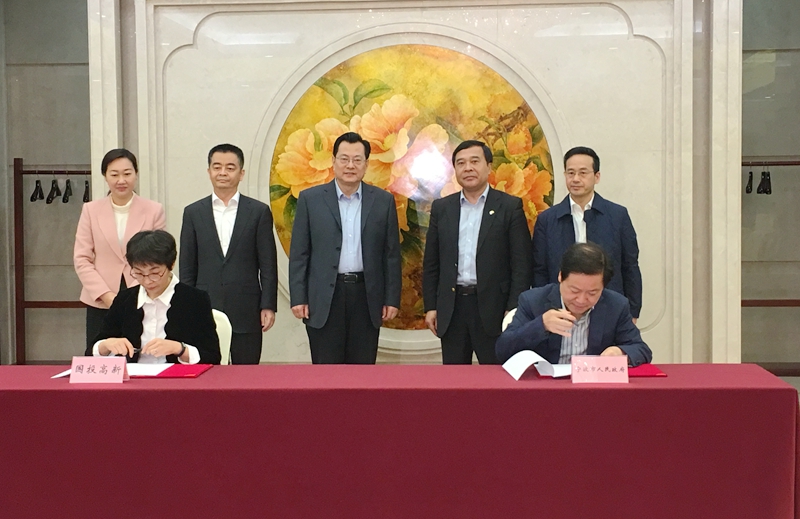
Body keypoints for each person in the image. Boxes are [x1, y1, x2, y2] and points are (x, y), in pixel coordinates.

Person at [289, 132, 402, 364]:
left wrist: (391, 299)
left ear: (366, 164)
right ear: (333, 161)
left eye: (357, 160)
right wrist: (298, 297)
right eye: (344, 159)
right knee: (326, 371)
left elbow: (391, 255)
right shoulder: (310, 199)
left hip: (366, 296)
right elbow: (300, 253)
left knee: (363, 370)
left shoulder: (383, 201)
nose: (350, 165)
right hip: (324, 298)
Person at [422, 140, 532, 364]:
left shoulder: (509, 207)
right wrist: (431, 306)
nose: (468, 168)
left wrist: (513, 309)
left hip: (494, 309)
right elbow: (432, 263)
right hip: (452, 308)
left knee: (496, 376)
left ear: (489, 166)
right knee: (454, 378)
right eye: (461, 163)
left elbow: (521, 265)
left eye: (474, 161)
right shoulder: (442, 208)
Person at [179, 143, 278, 364]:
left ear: (241, 173)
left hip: (247, 309)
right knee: (207, 372)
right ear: (209, 171)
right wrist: (187, 306)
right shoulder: (193, 212)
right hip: (205, 308)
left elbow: (268, 265)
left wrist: (268, 305)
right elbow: (187, 266)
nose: (223, 172)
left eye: (230, 168)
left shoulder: (258, 212)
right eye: (217, 167)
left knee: (247, 374)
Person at [531, 146, 642, 321]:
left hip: (609, 308)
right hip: (560, 310)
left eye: (583, 173)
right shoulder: (547, 219)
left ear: (596, 176)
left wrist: (632, 311)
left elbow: (630, 266)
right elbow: (540, 270)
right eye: (570, 173)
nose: (576, 179)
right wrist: (544, 309)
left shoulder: (617, 215)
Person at [496, 242, 651, 366]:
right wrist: (541, 325)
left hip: (593, 387)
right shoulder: (533, 301)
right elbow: (503, 350)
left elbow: (641, 349)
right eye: (574, 290)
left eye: (592, 293)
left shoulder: (616, 305)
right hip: (546, 387)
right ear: (560, 277)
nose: (581, 300)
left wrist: (620, 352)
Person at [74, 148, 166, 354]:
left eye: (127, 173)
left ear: (136, 174)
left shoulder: (154, 210)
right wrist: (106, 295)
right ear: (105, 176)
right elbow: (82, 258)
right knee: (100, 357)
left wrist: (135, 293)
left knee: (140, 355)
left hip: (143, 296)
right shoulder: (90, 210)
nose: (121, 180)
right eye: (114, 174)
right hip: (101, 300)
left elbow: (159, 256)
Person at [88, 230, 221, 364]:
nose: (147, 281)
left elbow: (212, 356)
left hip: (176, 375)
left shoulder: (195, 300)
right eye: (139, 273)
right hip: (134, 374)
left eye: (155, 273)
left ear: (171, 264)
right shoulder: (124, 300)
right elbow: (90, 353)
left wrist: (179, 349)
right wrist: (106, 345)